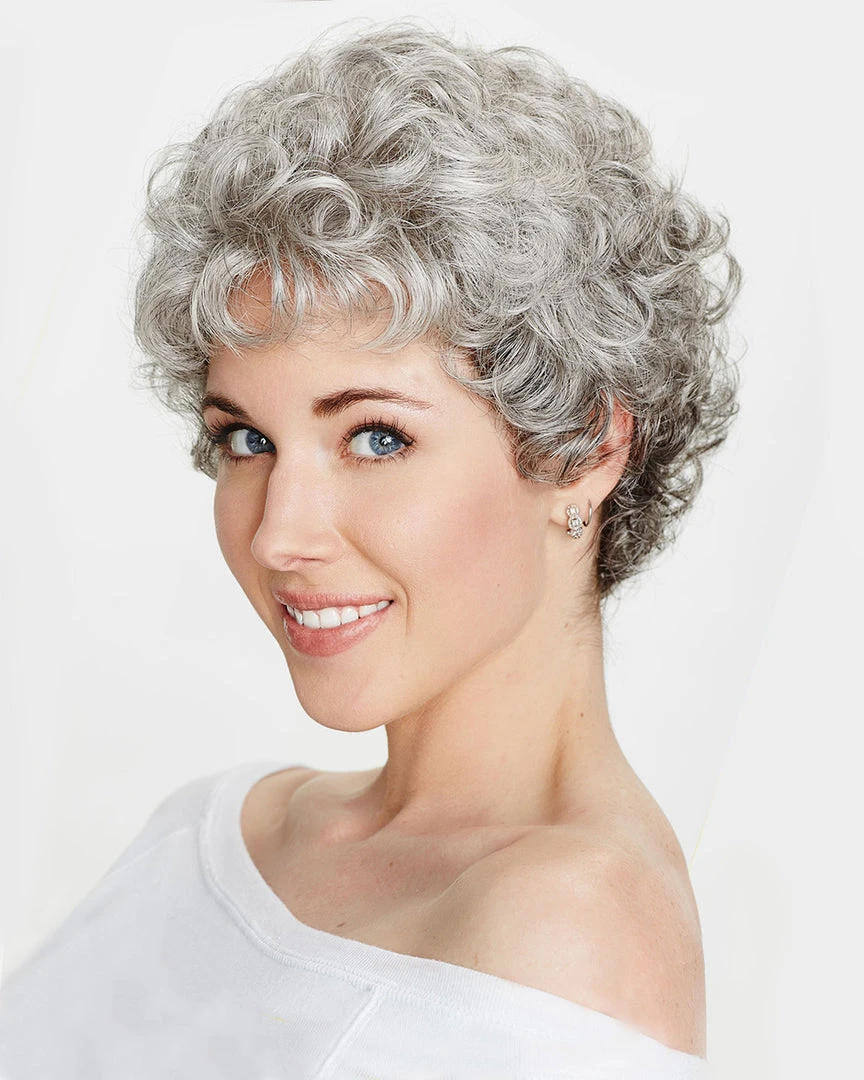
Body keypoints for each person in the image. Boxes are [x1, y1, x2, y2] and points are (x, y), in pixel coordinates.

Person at [0, 19, 739, 1078]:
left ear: (581, 449)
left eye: (376, 437)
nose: (279, 533)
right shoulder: (217, 827)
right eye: (247, 439)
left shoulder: (567, 933)